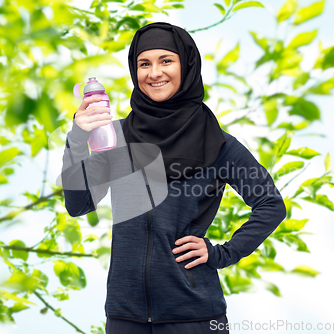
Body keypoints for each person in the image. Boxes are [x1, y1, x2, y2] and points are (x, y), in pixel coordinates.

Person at [61, 22, 287, 334]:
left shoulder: (216, 143)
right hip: (125, 317)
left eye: (166, 60)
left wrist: (221, 253)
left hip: (195, 317)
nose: (154, 73)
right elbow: (78, 204)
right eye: (144, 63)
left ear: (187, 65)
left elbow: (270, 204)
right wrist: (77, 138)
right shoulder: (116, 136)